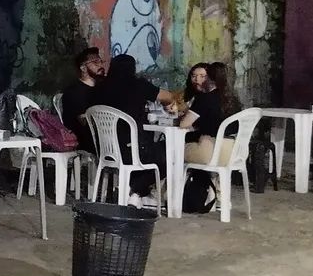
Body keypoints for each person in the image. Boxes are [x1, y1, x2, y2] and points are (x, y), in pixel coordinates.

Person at [96, 53, 176, 204]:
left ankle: (137, 193)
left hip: (106, 148)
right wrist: (168, 105)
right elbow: (167, 96)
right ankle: (134, 189)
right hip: (134, 148)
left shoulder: (100, 87)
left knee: (152, 153)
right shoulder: (138, 85)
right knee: (169, 156)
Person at [181, 61, 241, 166]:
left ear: (209, 78)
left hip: (211, 153)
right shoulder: (233, 99)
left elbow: (183, 125)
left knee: (172, 149)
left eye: (202, 76)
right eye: (194, 76)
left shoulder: (205, 98)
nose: (198, 80)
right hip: (235, 153)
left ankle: (173, 181)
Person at [60, 46, 107, 152]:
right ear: (83, 68)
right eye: (95, 62)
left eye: (100, 61)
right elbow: (83, 122)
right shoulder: (73, 92)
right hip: (84, 140)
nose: (100, 65)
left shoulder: (102, 88)